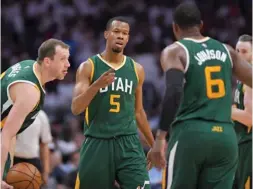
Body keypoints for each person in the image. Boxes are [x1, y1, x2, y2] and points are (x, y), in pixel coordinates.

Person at [148, 2, 252, 189]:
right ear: (201, 25)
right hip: (225, 138)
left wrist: (160, 138)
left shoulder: (175, 51)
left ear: (175, 27)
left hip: (191, 135)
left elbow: (173, 92)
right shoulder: (227, 50)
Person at [71, 16, 154, 189]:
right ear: (106, 34)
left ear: (128, 38)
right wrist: (97, 86)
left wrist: (154, 146)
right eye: (116, 32)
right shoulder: (88, 67)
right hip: (97, 142)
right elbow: (76, 108)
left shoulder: (136, 69)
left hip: (128, 142)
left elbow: (138, 112)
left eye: (125, 33)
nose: (121, 36)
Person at [1, 38, 70, 189]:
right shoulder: (31, 91)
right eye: (63, 59)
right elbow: (6, 134)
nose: (68, 64)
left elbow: (10, 133)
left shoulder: (28, 65)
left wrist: (7, 168)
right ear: (47, 61)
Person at [232, 34, 252, 189]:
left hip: (248, 144)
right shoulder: (242, 78)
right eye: (237, 51)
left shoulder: (250, 80)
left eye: (244, 51)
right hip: (241, 141)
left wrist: (222, 108)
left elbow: (250, 118)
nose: (239, 55)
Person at [13, 110, 53, 185]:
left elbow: (44, 145)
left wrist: (46, 172)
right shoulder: (11, 111)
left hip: (33, 161)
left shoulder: (41, 115)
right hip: (13, 160)